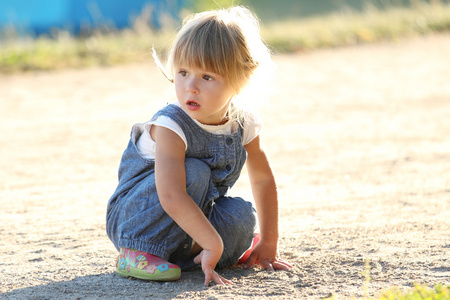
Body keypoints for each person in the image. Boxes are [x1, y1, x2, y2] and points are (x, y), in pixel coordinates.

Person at [106, 6, 292, 286]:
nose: (190, 87)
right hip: (137, 220)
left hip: (187, 223)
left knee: (242, 216)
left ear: (241, 80)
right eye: (182, 72)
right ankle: (137, 252)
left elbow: (263, 179)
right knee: (194, 172)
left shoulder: (244, 123)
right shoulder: (171, 126)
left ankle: (190, 257)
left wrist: (269, 240)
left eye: (207, 77)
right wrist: (214, 242)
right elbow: (170, 195)